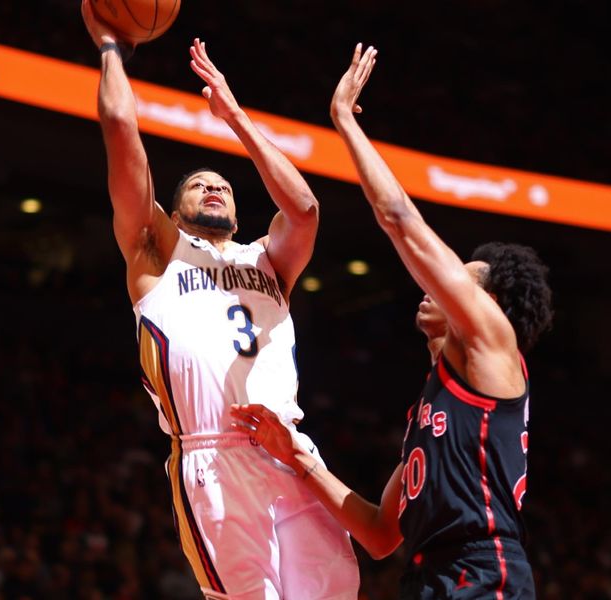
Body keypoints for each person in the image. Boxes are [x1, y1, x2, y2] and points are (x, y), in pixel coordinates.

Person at [231, 44, 553, 599]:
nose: (435, 285)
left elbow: (399, 218)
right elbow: (381, 534)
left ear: (487, 304)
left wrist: (344, 123)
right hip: (429, 578)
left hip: (482, 572)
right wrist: (297, 457)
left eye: (458, 279)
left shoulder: (493, 340)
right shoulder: (431, 409)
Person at [80, 2, 360, 598]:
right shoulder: (155, 255)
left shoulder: (268, 260)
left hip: (291, 452)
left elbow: (305, 210)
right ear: (174, 211)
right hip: (211, 458)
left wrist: (234, 116)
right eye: (198, 184)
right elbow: (120, 131)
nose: (213, 187)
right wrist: (110, 48)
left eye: (224, 185)